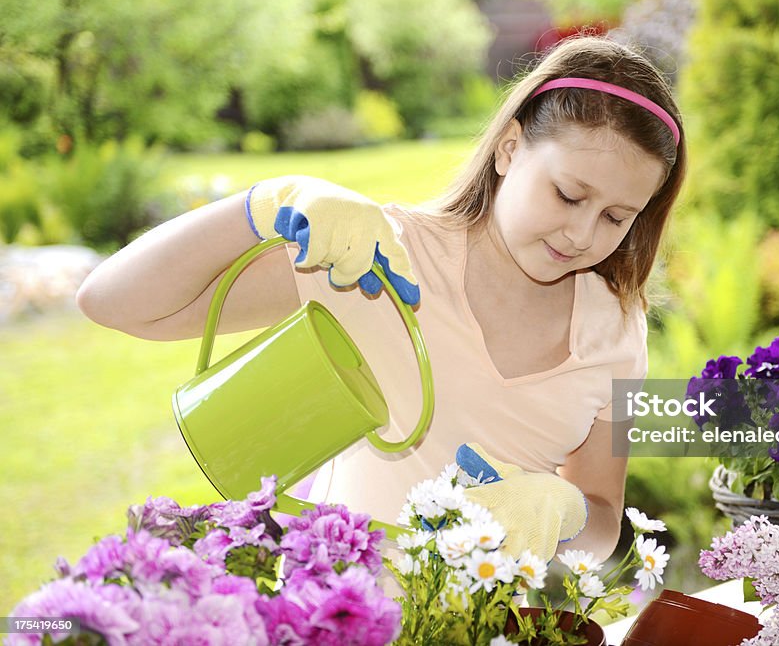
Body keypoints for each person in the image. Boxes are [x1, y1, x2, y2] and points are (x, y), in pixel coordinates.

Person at [76, 35, 686, 563]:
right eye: (567, 194)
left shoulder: (617, 328)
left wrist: (564, 509)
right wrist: (264, 203)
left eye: (615, 216)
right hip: (339, 615)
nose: (581, 234)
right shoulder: (379, 261)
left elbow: (605, 516)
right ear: (508, 148)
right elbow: (113, 302)